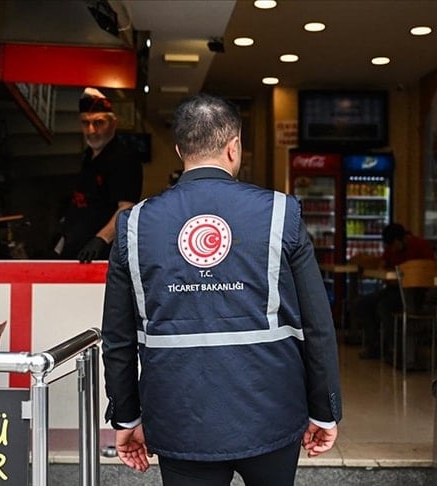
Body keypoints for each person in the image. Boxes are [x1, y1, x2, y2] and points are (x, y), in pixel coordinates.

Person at [101, 93, 342, 485]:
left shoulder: (133, 224)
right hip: (271, 414)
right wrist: (324, 410)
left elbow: (117, 336)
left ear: (180, 150)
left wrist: (126, 417)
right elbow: (318, 325)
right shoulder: (281, 213)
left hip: (178, 418)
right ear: (235, 147)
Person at [55, 87, 143, 263]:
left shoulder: (124, 159)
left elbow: (127, 207)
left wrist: (101, 239)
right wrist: (61, 242)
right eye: (85, 123)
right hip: (73, 251)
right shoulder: (88, 156)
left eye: (99, 122)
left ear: (113, 123)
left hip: (100, 256)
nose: (91, 130)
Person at [354, 223, 435, 360]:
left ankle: (395, 349)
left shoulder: (421, 246)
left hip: (416, 293)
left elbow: (429, 270)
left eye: (394, 245)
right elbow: (382, 265)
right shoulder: (391, 248)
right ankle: (375, 346)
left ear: (401, 239)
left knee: (384, 307)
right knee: (362, 304)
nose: (393, 249)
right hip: (393, 290)